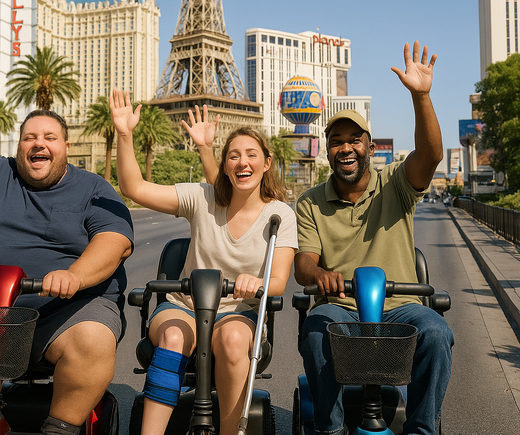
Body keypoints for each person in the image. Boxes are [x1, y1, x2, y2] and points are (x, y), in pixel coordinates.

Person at [0, 60, 134, 435]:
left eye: (50, 137)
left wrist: (74, 275)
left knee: (93, 338)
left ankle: (60, 428)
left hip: (63, 312)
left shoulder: (93, 188)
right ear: (18, 145)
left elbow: (115, 242)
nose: (39, 144)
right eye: (30, 137)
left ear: (67, 146)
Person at [110, 91, 297, 435]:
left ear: (267, 163)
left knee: (234, 343)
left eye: (252, 155)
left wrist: (256, 284)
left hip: (239, 311)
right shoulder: (202, 197)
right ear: (224, 164)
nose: (243, 162)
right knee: (172, 338)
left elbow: (279, 280)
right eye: (234, 156)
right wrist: (125, 134)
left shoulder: (280, 215)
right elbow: (133, 187)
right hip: (183, 307)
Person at [294, 41, 455, 435]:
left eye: (354, 139)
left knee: (435, 332)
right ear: (327, 151)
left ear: (369, 144)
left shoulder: (396, 184)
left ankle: (421, 429)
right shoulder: (310, 202)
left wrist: (422, 96)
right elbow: (303, 264)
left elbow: (431, 154)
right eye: (336, 141)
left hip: (399, 307)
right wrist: (319, 275)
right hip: (342, 310)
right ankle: (329, 429)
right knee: (316, 331)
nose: (345, 147)